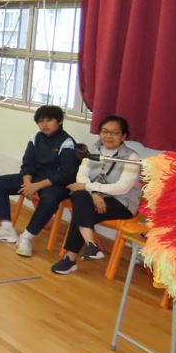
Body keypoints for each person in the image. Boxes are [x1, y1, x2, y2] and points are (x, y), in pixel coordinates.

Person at [0, 105, 78, 257]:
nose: (44, 125)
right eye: (40, 121)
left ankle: (26, 237)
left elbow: (66, 174)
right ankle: (7, 229)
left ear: (59, 121)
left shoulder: (67, 142)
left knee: (49, 199)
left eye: (48, 120)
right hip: (34, 179)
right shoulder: (36, 137)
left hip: (55, 184)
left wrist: (36, 186)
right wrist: (28, 184)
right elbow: (27, 164)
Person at [51, 115, 142, 275]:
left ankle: (71, 258)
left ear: (123, 136)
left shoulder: (132, 157)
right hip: (93, 197)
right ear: (99, 133)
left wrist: (89, 188)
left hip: (122, 202)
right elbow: (81, 176)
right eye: (105, 131)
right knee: (80, 198)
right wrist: (93, 193)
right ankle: (90, 245)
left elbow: (122, 188)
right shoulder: (93, 151)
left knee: (81, 208)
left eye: (115, 133)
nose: (108, 136)